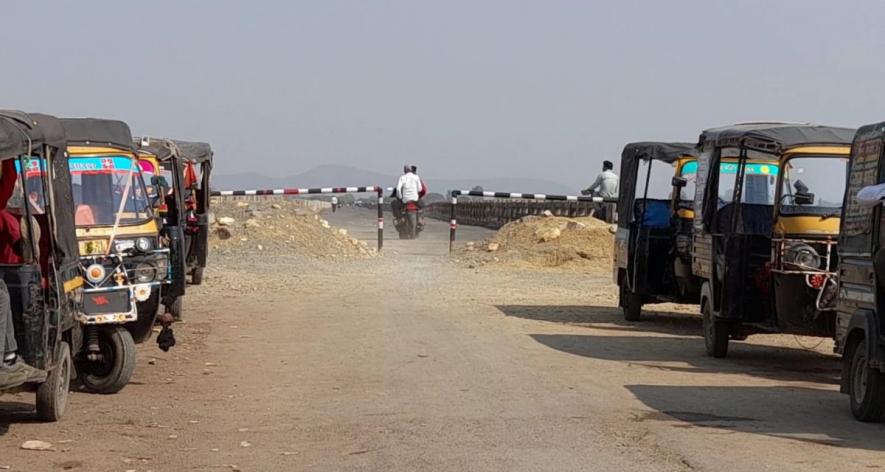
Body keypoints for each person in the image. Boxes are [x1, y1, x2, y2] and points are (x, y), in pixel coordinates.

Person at [394, 165, 424, 239]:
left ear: (405, 171)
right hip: (415, 200)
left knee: (394, 205)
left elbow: (398, 189)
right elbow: (420, 189)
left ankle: (399, 219)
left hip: (405, 200)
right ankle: (420, 219)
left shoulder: (402, 178)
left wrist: (401, 197)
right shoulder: (416, 177)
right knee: (422, 206)